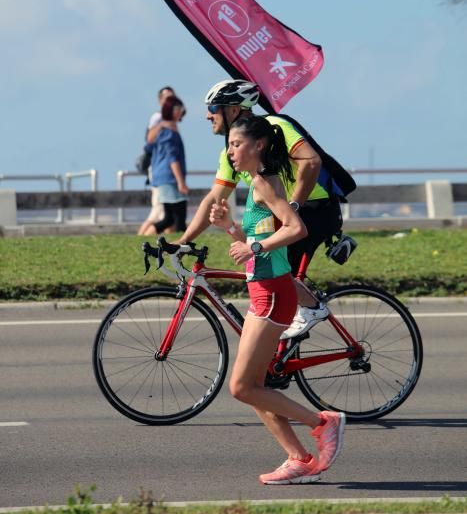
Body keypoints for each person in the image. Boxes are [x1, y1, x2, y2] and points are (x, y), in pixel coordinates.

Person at [209, 115, 345, 484]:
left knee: (242, 387)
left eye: (236, 145)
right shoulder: (256, 185)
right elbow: (262, 240)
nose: (230, 151)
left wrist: (253, 244)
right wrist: (230, 230)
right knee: (254, 388)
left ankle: (322, 423)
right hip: (265, 293)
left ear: (258, 146)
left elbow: (295, 228)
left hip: (272, 296)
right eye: (230, 145)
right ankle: (298, 458)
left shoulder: (265, 185)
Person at [177, 79, 344, 339]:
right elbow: (214, 198)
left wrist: (292, 208)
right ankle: (273, 358)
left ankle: (311, 309)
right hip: (286, 215)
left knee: (273, 270)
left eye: (214, 107)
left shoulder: (275, 127)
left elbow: (311, 162)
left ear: (233, 110)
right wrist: (184, 240)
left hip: (313, 210)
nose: (207, 115)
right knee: (264, 272)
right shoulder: (230, 154)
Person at [144, 95, 189, 236]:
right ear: (171, 110)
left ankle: (145, 238)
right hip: (169, 179)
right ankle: (183, 244)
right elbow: (172, 159)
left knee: (169, 219)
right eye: (178, 108)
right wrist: (181, 182)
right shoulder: (169, 133)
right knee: (176, 219)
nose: (181, 110)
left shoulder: (164, 131)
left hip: (163, 178)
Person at [138, 86, 176, 236]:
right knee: (158, 213)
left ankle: (170, 243)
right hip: (161, 171)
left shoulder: (170, 119)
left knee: (168, 214)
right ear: (160, 100)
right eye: (167, 98)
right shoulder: (158, 118)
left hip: (167, 171)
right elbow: (149, 139)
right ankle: (140, 239)